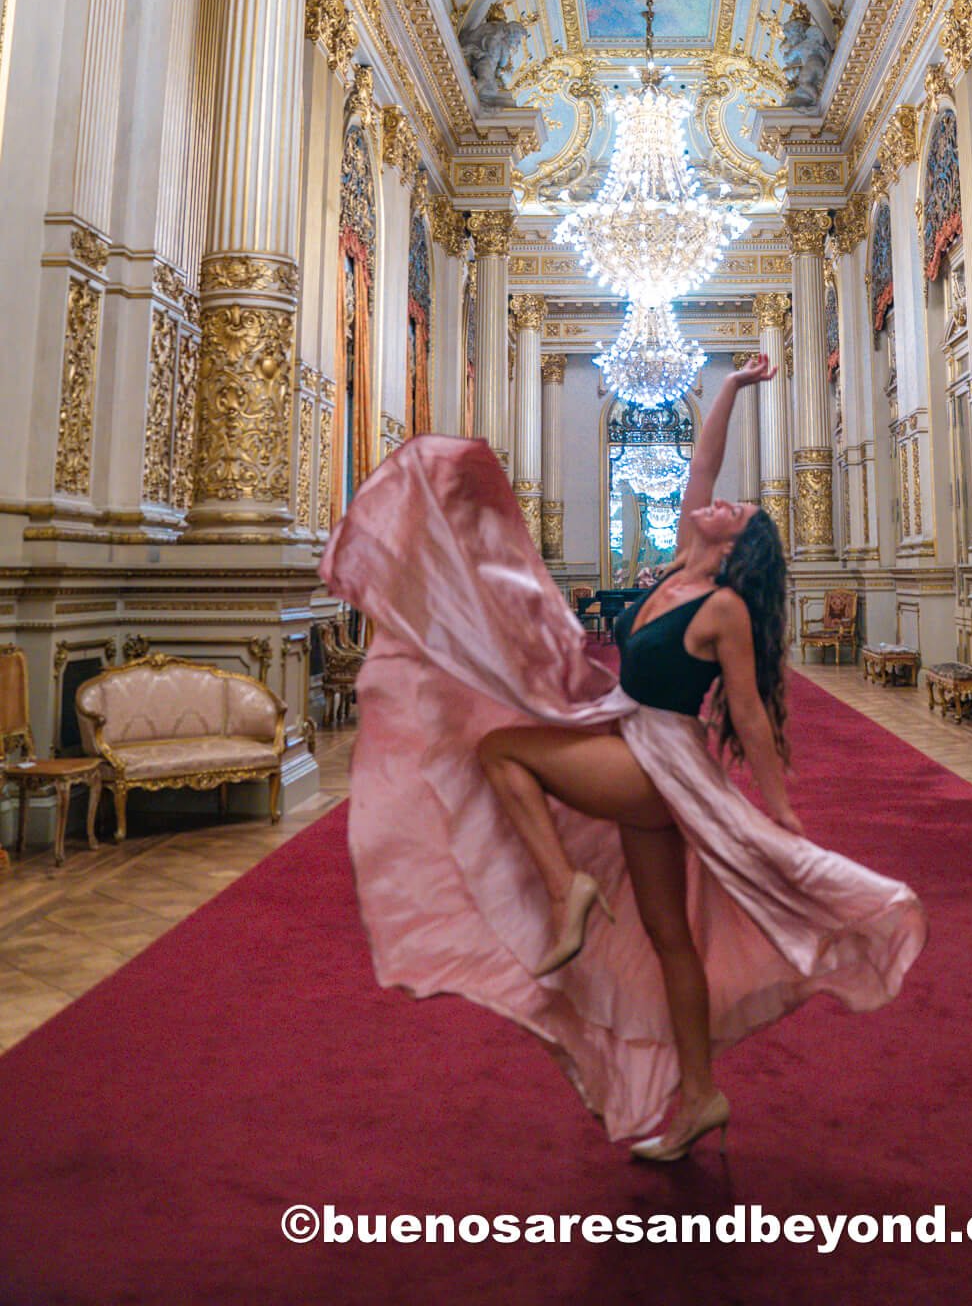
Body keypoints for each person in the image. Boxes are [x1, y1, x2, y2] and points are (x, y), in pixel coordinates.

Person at [320, 356, 927, 1161]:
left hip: (660, 759)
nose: (721, 501)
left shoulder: (724, 611)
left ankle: (563, 885)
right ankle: (701, 1095)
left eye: (736, 510)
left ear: (739, 544)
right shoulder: (679, 565)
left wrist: (778, 813)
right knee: (670, 936)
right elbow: (703, 461)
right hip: (630, 737)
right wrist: (734, 390)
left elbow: (746, 713)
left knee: (503, 750)